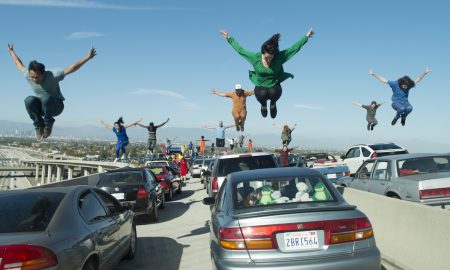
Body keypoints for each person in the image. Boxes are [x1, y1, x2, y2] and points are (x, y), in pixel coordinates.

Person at [8, 44, 96, 141]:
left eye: (36, 77)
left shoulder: (53, 75)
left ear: (43, 73)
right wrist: (11, 51)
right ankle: (39, 126)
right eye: (31, 77)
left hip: (56, 106)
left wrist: (88, 57)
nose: (33, 79)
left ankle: (48, 124)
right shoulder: (28, 74)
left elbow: (73, 67)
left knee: (46, 97)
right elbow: (18, 63)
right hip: (43, 107)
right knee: (28, 100)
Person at [220, 29, 314, 118]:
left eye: (271, 57)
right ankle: (263, 105)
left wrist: (306, 37)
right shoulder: (255, 58)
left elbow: (294, 49)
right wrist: (229, 38)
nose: (268, 60)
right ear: (262, 53)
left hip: (274, 84)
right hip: (260, 85)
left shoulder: (279, 57)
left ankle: (273, 104)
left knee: (273, 92)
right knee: (262, 93)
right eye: (266, 58)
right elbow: (240, 50)